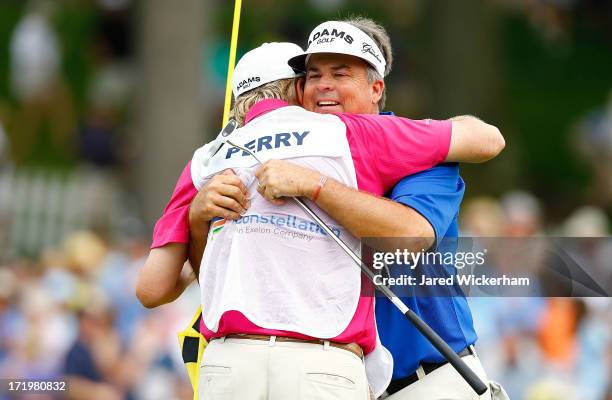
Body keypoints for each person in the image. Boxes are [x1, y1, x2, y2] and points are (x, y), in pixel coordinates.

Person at [136, 18, 504, 399]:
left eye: (340, 73)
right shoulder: (299, 151)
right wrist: (200, 220)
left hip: (428, 379)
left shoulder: (418, 157)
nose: (324, 85)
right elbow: (187, 280)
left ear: (376, 88)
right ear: (296, 89)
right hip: (342, 373)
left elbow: (409, 235)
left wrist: (316, 187)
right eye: (313, 75)